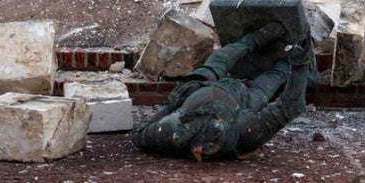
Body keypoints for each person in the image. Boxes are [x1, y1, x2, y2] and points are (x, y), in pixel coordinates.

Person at [132, 22, 311, 161]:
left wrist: (172, 104)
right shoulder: (245, 132)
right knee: (270, 81)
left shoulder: (172, 131)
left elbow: (138, 134)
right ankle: (284, 57)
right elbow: (291, 106)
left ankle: (255, 39)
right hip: (241, 98)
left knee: (218, 60)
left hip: (199, 89)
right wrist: (299, 64)